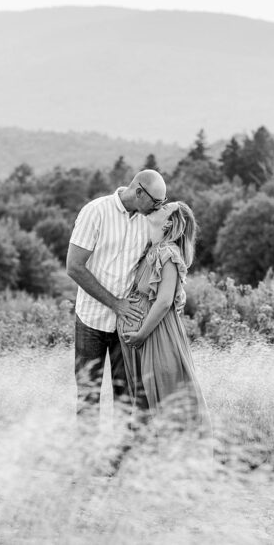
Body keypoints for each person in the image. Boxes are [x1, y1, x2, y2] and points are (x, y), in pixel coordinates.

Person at [66, 169, 168, 430]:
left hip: (127, 326)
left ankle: (118, 464)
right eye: (156, 202)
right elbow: (74, 267)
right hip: (91, 321)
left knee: (127, 399)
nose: (159, 208)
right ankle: (87, 463)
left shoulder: (149, 221)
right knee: (88, 397)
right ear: (139, 192)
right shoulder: (95, 211)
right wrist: (115, 304)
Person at [119, 201, 209, 433]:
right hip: (142, 336)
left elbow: (164, 301)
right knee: (145, 399)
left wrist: (141, 334)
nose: (159, 207)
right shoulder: (152, 248)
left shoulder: (167, 253)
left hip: (155, 334)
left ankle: (175, 455)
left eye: (164, 208)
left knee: (164, 394)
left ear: (169, 222)